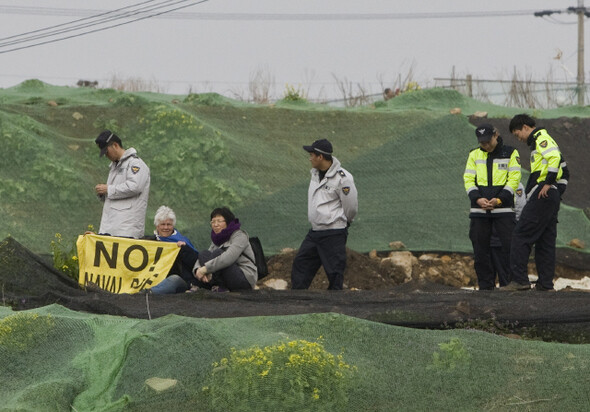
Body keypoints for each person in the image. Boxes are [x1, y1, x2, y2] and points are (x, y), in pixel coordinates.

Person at [505, 114, 569, 291]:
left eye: (518, 134)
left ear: (525, 127)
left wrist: (548, 184)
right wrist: (556, 190)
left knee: (520, 234)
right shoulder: (540, 142)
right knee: (545, 240)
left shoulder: (542, 139)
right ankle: (545, 284)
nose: (519, 138)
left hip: (543, 195)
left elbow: (555, 158)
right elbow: (565, 171)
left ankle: (519, 280)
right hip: (549, 197)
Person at [291, 139, 358, 290]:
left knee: (334, 272)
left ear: (320, 157)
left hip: (333, 233)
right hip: (315, 232)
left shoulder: (343, 178)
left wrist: (344, 223)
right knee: (301, 264)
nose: (310, 158)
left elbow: (351, 206)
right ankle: (297, 302)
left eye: (311, 155)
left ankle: (334, 307)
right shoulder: (314, 174)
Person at [463, 124, 521, 290]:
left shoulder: (511, 153)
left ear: (496, 135)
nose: (485, 145)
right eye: (482, 143)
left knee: (508, 248)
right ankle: (485, 287)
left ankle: (510, 284)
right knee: (480, 250)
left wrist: (499, 199)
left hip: (503, 210)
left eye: (488, 141)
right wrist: (477, 199)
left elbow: (514, 179)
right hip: (479, 211)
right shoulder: (474, 155)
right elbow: (468, 179)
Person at [94, 130, 150, 239]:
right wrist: (104, 193)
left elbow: (135, 186)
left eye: (106, 151)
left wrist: (108, 189)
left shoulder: (135, 163)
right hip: (111, 227)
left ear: (115, 145)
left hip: (127, 228)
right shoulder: (114, 167)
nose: (106, 155)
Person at [192, 207, 257, 292]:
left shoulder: (240, 236)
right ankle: (216, 286)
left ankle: (212, 286)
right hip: (224, 277)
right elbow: (202, 259)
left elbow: (229, 257)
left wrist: (205, 269)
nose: (215, 224)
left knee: (218, 253)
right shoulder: (217, 240)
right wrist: (197, 270)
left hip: (243, 278)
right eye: (213, 221)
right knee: (203, 253)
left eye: (219, 221)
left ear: (228, 222)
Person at [144, 206, 200, 294]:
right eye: (163, 224)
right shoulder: (149, 241)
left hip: (177, 281)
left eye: (169, 224)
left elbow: (195, 262)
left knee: (174, 279)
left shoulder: (182, 242)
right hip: (152, 279)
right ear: (157, 226)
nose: (166, 227)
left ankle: (149, 293)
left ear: (173, 226)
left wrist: (184, 250)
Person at [489, 182, 526, 286]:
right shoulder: (515, 183)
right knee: (505, 268)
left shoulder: (485, 180)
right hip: (505, 229)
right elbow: (520, 206)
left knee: (492, 271)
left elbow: (520, 206)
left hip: (492, 230)